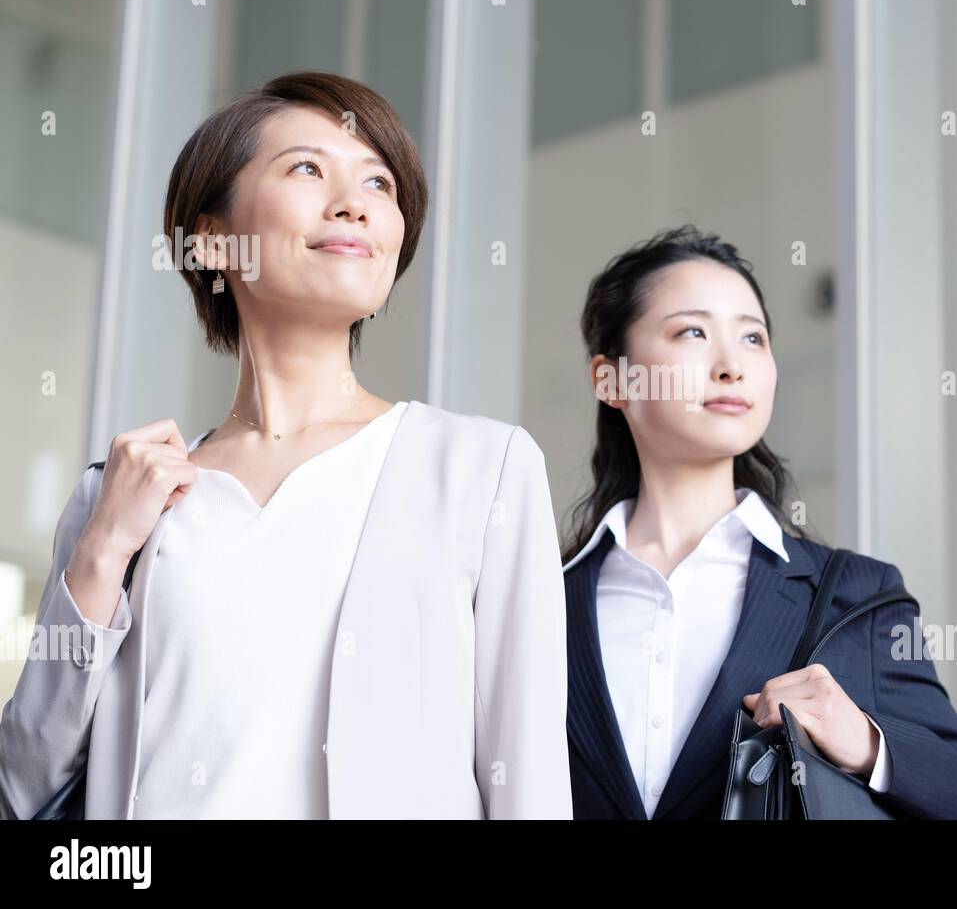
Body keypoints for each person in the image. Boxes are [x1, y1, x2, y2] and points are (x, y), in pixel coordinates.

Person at [0, 71, 571, 820]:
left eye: (379, 183)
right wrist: (103, 549)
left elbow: (525, 780)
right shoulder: (125, 492)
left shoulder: (479, 470)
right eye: (307, 168)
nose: (355, 202)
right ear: (212, 238)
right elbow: (22, 786)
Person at [562, 225, 957, 819]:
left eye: (753, 338)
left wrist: (864, 741)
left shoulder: (854, 597)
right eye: (693, 331)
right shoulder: (538, 603)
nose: (732, 365)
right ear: (613, 380)